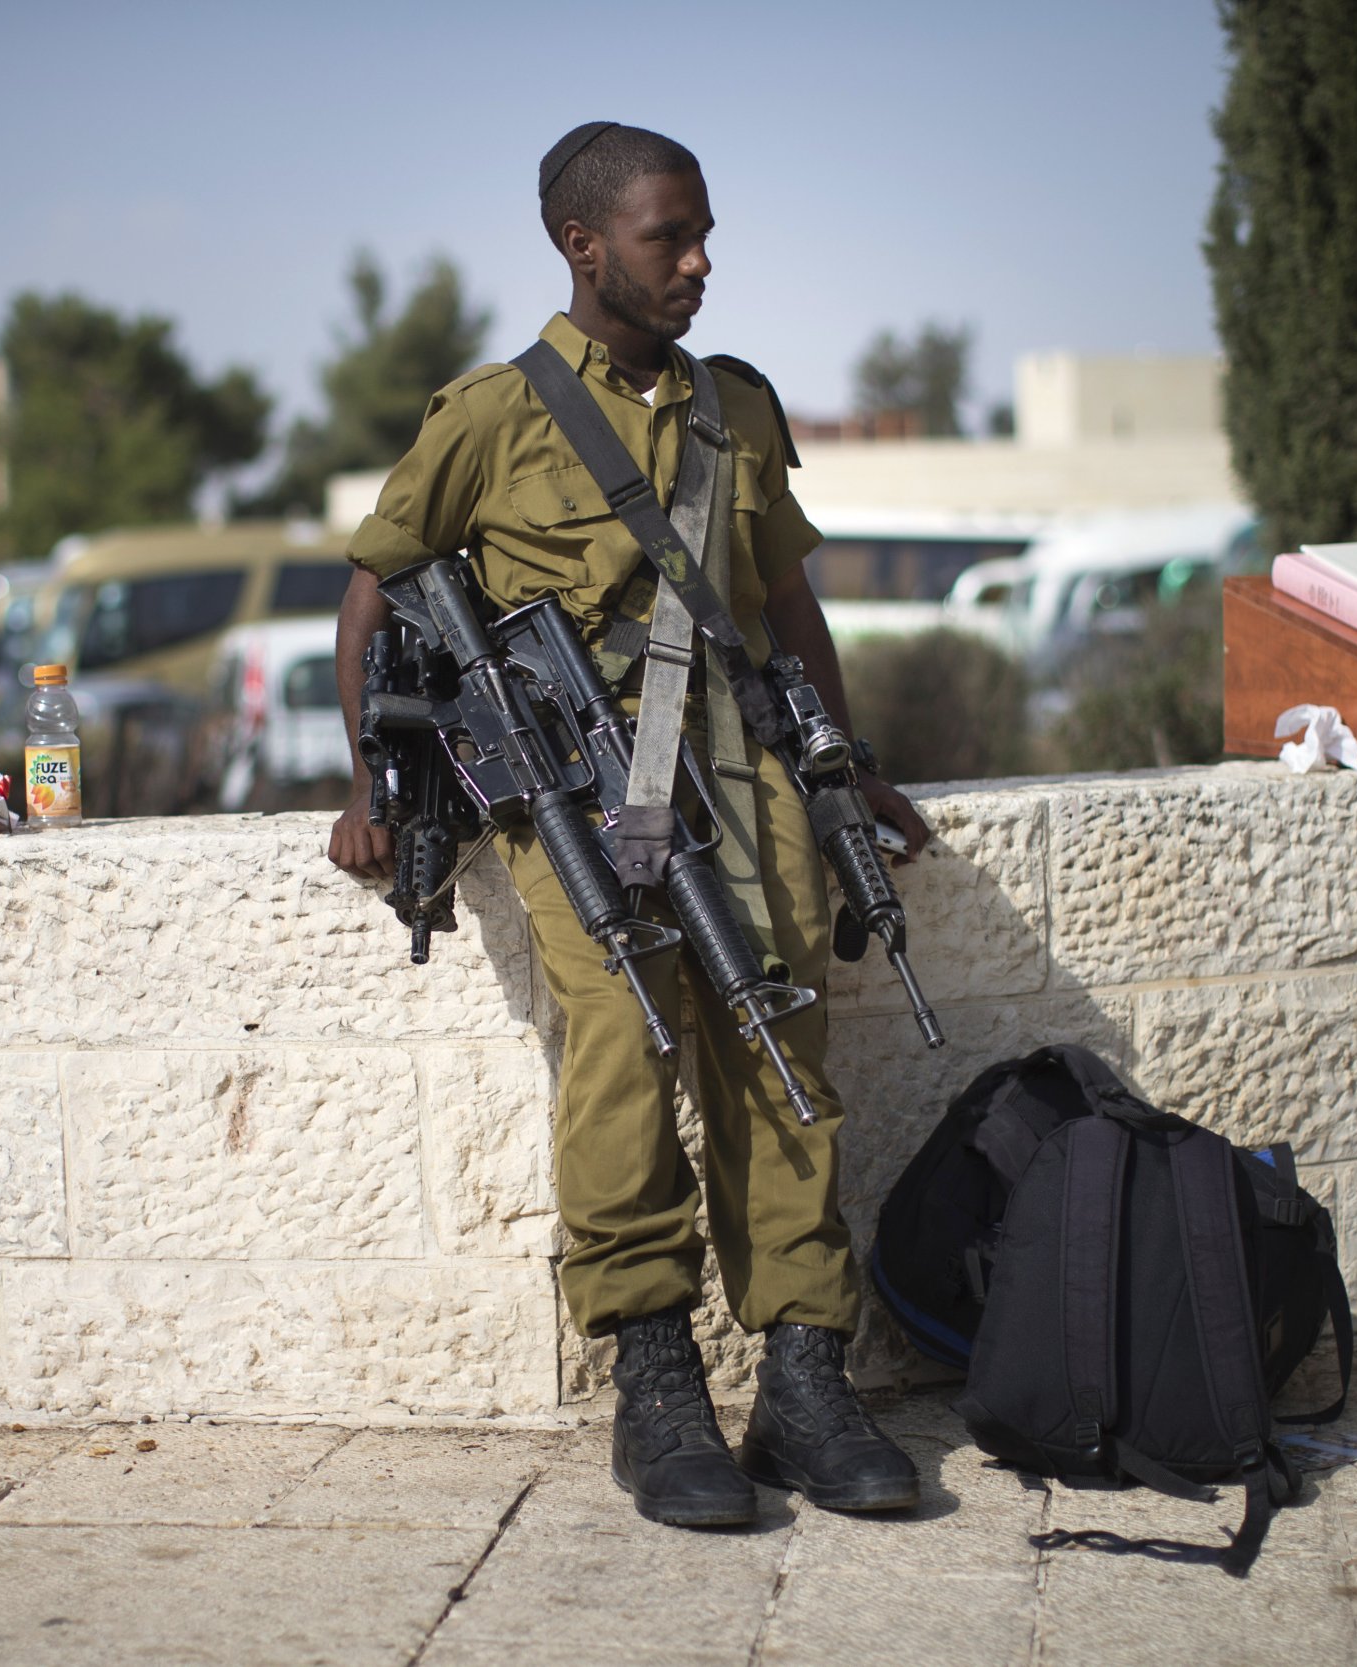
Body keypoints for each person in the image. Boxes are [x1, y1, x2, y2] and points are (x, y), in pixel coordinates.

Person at [328, 122, 932, 1528]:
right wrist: (368, 786)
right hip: (579, 789)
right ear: (582, 245)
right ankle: (655, 1386)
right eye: (671, 238)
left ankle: (800, 1377)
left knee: (781, 1045)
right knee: (620, 1051)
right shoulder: (489, 415)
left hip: (747, 770)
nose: (700, 263)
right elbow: (375, 592)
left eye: (706, 232)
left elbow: (784, 602)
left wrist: (851, 766)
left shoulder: (738, 407)